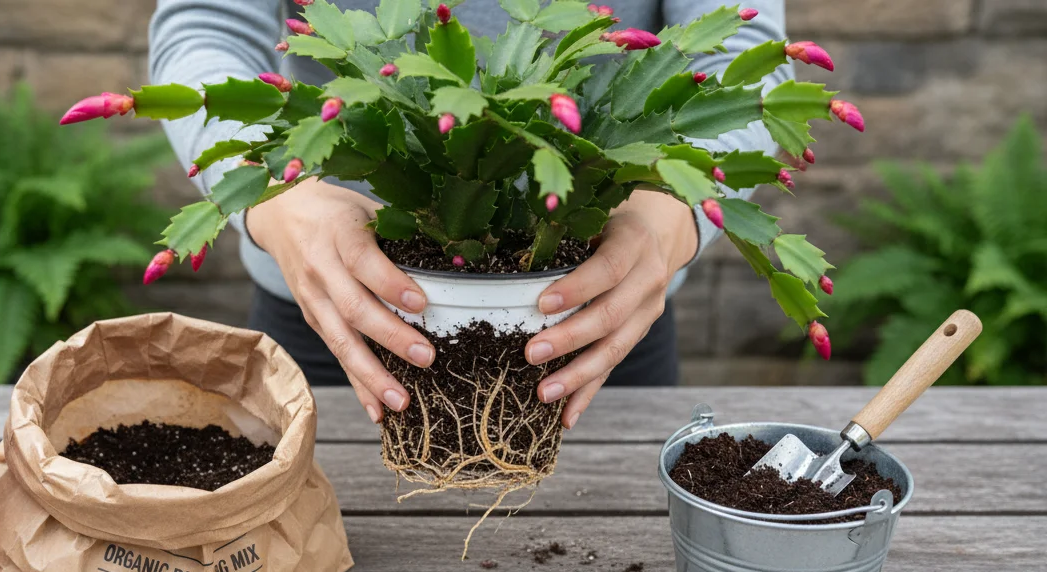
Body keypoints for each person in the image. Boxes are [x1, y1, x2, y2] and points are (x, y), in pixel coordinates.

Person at [149, 1, 790, 428]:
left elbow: (739, 56)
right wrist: (270, 197)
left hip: (604, 322)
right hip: (326, 313)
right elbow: (205, 28)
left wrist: (671, 212)